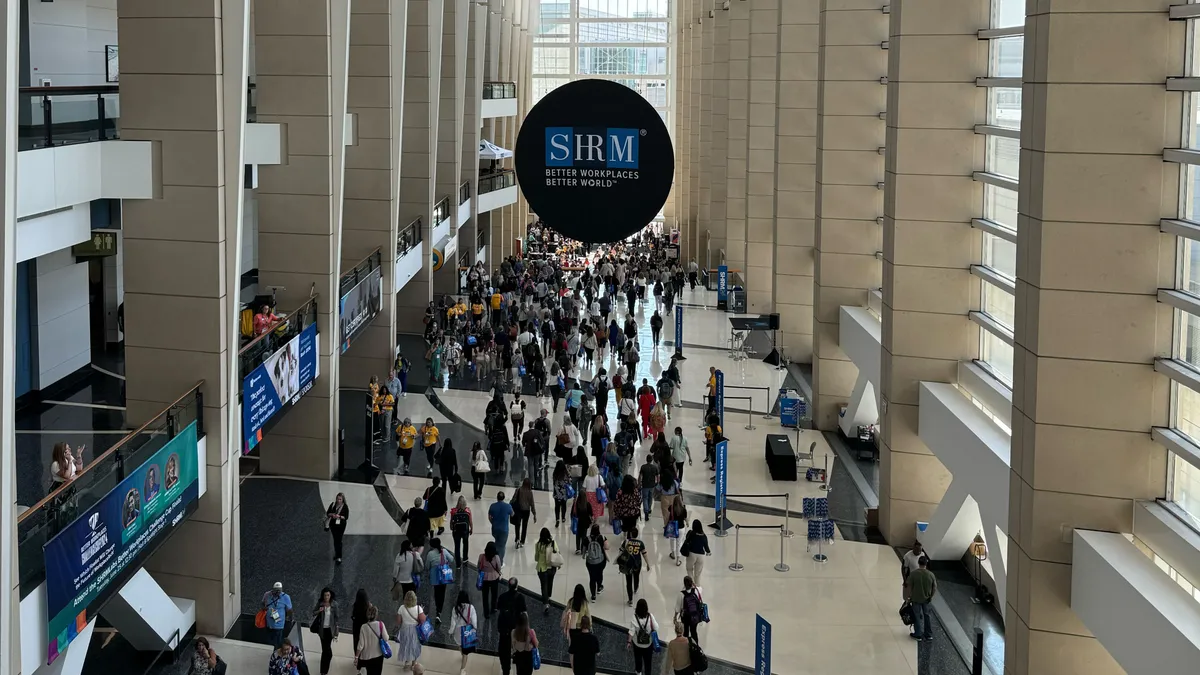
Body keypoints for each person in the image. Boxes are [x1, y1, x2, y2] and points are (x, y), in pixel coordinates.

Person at [497, 579, 529, 675]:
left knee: (504, 651)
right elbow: (524, 612)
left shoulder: (502, 597)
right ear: (517, 586)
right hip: (517, 629)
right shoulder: (520, 597)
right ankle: (516, 660)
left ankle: (506, 670)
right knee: (519, 648)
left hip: (504, 629)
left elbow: (498, 608)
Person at [425, 537, 457, 619]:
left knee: (436, 592)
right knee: (442, 593)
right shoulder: (444, 551)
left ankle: (437, 607)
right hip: (444, 576)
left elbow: (427, 566)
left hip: (435, 577)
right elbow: (452, 559)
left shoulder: (430, 554)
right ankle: (439, 610)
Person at [618, 527, 651, 606]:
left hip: (628, 565)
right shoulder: (640, 543)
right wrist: (648, 563)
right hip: (637, 564)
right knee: (636, 576)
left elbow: (620, 552)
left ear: (631, 534)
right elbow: (644, 554)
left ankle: (630, 600)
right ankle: (636, 588)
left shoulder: (626, 542)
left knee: (628, 581)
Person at [449, 590, 479, 675]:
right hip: (467, 632)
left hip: (458, 632)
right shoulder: (471, 607)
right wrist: (475, 628)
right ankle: (462, 669)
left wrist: (451, 632)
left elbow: (453, 622)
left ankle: (462, 654)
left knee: (460, 645)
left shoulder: (455, 608)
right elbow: (474, 621)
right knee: (466, 651)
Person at [394, 590, 425, 670]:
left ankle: (406, 662)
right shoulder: (419, 608)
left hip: (404, 629)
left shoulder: (401, 608)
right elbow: (423, 620)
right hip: (415, 630)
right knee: (414, 645)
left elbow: (398, 621)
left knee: (405, 645)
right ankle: (414, 663)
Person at [908, 556, 937, 641]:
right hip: (927, 599)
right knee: (927, 616)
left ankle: (918, 634)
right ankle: (928, 634)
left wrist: (909, 597)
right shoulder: (931, 574)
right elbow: (934, 587)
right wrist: (931, 596)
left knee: (917, 616)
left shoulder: (913, 574)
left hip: (915, 598)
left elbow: (910, 587)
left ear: (918, 563)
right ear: (926, 563)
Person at [311, 587, 339, 675]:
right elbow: (313, 613)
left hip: (330, 630)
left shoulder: (334, 604)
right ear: (323, 596)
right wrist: (319, 611)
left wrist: (336, 633)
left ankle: (323, 671)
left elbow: (336, 619)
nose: (326, 597)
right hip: (322, 630)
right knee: (326, 650)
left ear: (330, 595)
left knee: (326, 651)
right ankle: (323, 671)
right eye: (325, 595)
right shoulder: (320, 603)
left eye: (328, 595)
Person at [628, 599, 660, 675]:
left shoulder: (634, 617)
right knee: (648, 662)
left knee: (638, 659)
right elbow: (656, 627)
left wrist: (629, 642)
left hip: (637, 644)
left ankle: (638, 672)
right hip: (648, 644)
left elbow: (631, 632)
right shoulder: (650, 616)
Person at [353, 605, 388, 675]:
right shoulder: (381, 624)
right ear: (376, 614)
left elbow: (361, 644)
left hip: (366, 657)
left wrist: (356, 657)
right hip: (378, 656)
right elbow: (386, 638)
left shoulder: (363, 627)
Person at [534, 527, 561, 613]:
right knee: (550, 583)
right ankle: (548, 596)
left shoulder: (538, 545)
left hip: (542, 569)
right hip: (552, 567)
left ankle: (545, 603)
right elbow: (557, 552)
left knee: (543, 586)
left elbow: (536, 558)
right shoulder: (553, 543)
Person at [261, 582, 292, 648]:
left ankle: (276, 652)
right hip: (269, 623)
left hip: (279, 624)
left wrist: (289, 618)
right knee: (269, 639)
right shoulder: (267, 595)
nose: (278, 592)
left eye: (279, 591)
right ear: (273, 589)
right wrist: (264, 608)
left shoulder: (286, 597)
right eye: (276, 590)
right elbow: (262, 603)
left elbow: (289, 610)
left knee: (277, 641)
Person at [477, 541, 504, 617]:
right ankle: (493, 608)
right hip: (494, 578)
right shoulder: (496, 557)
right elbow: (498, 567)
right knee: (494, 594)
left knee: (485, 596)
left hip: (484, 578)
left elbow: (478, 566)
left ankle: (486, 613)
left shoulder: (481, 556)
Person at [675, 576, 705, 643]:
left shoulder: (681, 594)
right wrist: (694, 585)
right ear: (692, 582)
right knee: (694, 631)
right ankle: (695, 646)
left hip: (686, 617)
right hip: (695, 615)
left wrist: (675, 617)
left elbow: (677, 608)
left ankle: (686, 645)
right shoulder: (697, 590)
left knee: (685, 631)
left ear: (684, 584)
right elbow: (700, 589)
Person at [681, 520, 712, 584]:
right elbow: (706, 547)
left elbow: (686, 540)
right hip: (701, 556)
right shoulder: (704, 536)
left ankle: (691, 584)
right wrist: (708, 552)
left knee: (689, 569)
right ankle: (697, 586)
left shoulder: (690, 533)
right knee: (697, 573)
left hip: (691, 554)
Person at [584, 523, 608, 601]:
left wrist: (584, 555)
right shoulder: (602, 537)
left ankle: (593, 596)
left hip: (590, 562)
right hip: (600, 560)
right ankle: (599, 587)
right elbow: (607, 547)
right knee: (599, 573)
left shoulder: (587, 539)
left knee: (592, 577)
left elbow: (584, 550)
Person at [488, 490, 515, 560]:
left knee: (497, 543)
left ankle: (494, 558)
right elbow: (512, 514)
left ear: (497, 498)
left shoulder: (492, 506)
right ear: (504, 498)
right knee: (502, 546)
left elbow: (489, 517)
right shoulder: (508, 506)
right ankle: (500, 562)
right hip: (504, 530)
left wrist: (493, 523)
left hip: (495, 529)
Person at [325, 492, 349, 563]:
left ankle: (339, 557)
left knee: (339, 540)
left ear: (343, 500)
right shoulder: (333, 504)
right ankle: (337, 554)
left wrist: (339, 516)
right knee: (335, 540)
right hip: (333, 525)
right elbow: (328, 513)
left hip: (341, 525)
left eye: (340, 499)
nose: (338, 500)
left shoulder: (345, 507)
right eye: (337, 499)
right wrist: (333, 515)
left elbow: (346, 517)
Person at [512, 478, 537, 548]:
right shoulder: (530, 492)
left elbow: (513, 499)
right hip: (527, 511)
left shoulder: (518, 490)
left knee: (517, 525)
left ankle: (517, 539)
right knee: (524, 526)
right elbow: (532, 504)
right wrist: (534, 514)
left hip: (519, 510)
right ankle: (522, 541)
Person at [449, 496, 473, 564]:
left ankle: (458, 562)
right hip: (465, 531)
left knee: (457, 546)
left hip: (456, 531)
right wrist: (471, 528)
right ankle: (465, 558)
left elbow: (451, 521)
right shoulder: (468, 511)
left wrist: (451, 527)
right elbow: (470, 521)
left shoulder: (454, 511)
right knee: (465, 544)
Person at [666, 494, 688, 563]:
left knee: (672, 540)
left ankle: (673, 554)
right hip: (681, 528)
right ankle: (678, 560)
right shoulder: (683, 509)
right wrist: (687, 523)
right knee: (679, 543)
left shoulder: (671, 508)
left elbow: (668, 513)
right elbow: (685, 518)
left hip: (673, 527)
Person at [638, 456, 659, 521]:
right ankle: (649, 509)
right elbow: (657, 476)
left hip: (645, 485)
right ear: (652, 460)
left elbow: (640, 476)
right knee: (650, 498)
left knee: (645, 498)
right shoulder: (655, 467)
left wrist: (639, 484)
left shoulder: (643, 467)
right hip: (652, 485)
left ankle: (646, 510)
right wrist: (657, 482)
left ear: (646, 459)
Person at [552, 461, 572, 527]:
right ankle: (563, 517)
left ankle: (557, 519)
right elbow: (570, 483)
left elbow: (553, 483)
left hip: (557, 493)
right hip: (564, 493)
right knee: (564, 505)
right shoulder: (566, 474)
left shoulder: (555, 474)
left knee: (557, 506)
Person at [351, 588, 370, 653]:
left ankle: (356, 657)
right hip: (365, 627)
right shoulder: (368, 606)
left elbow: (353, 616)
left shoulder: (355, 605)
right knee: (364, 642)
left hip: (356, 626)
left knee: (356, 642)